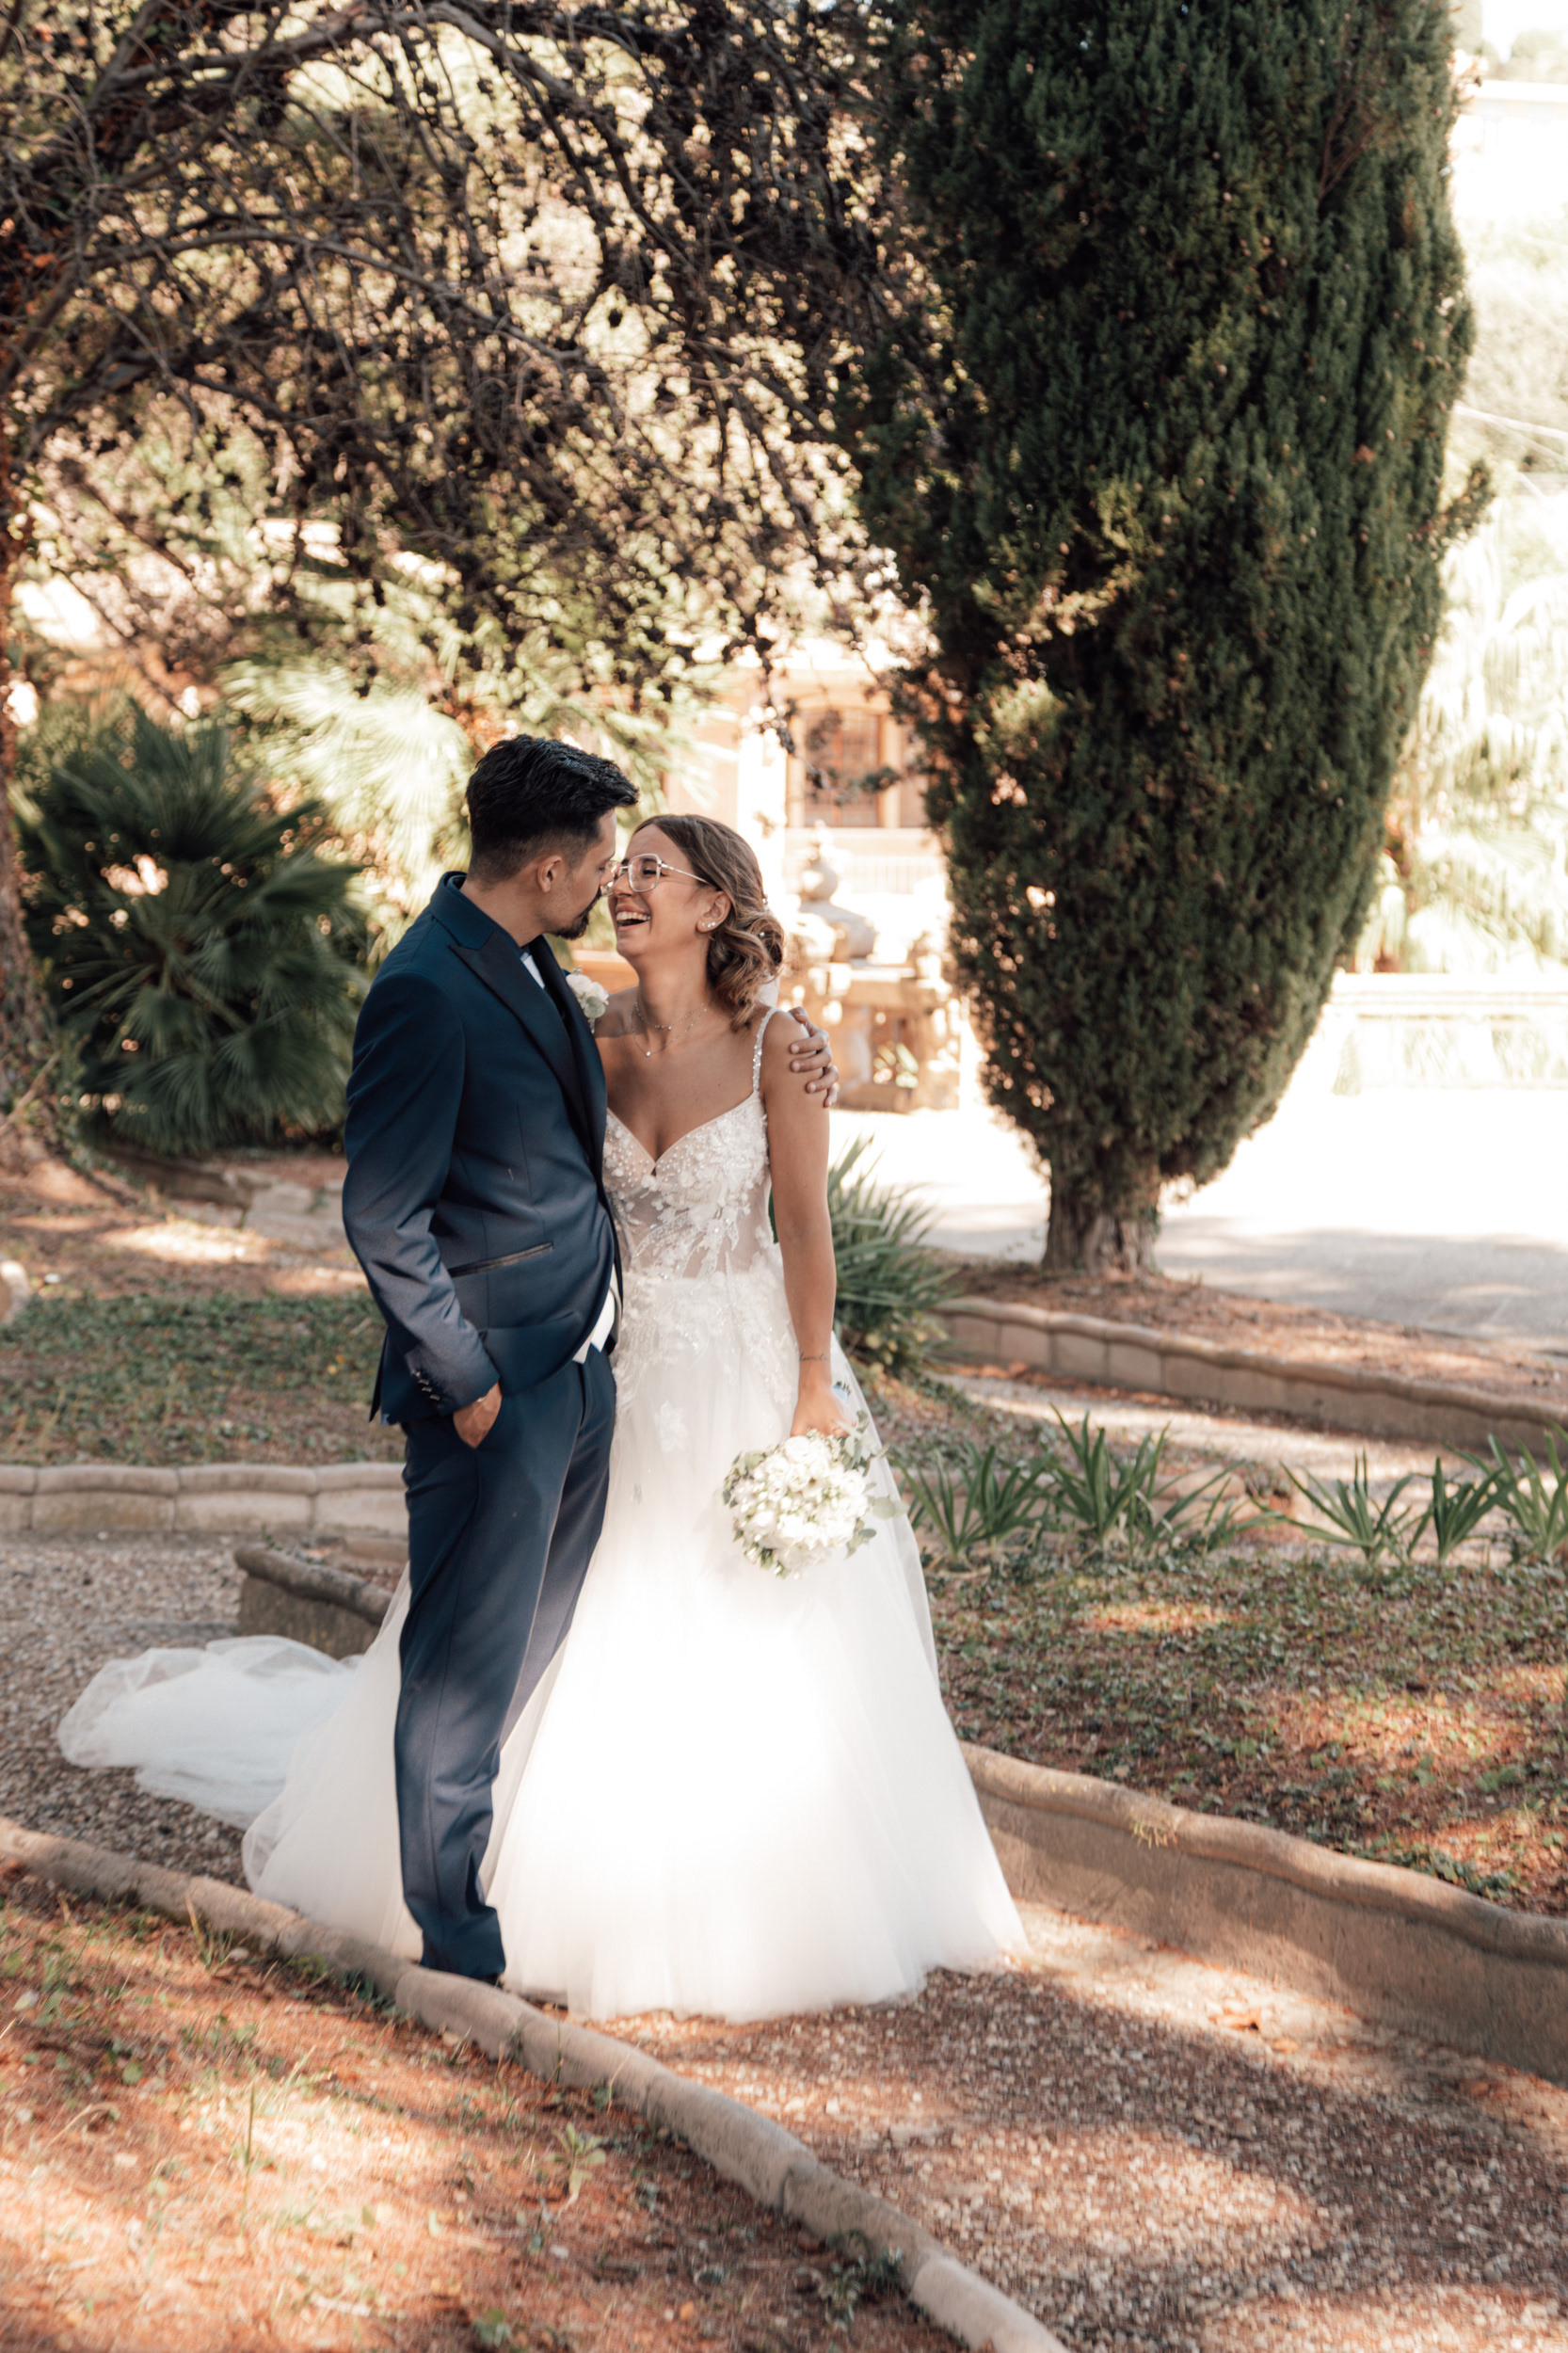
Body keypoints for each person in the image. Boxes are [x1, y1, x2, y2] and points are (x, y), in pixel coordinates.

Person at [60, 792, 1024, 2021]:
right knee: (552, 1607)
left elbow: (804, 1232)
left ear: (714, 906)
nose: (624, 886)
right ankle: (487, 1871)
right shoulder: (577, 1027)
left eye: (653, 871)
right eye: (620, 868)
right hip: (597, 1357)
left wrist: (807, 1387)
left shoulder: (781, 1048)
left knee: (732, 1614)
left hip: (739, 1362)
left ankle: (720, 1897)